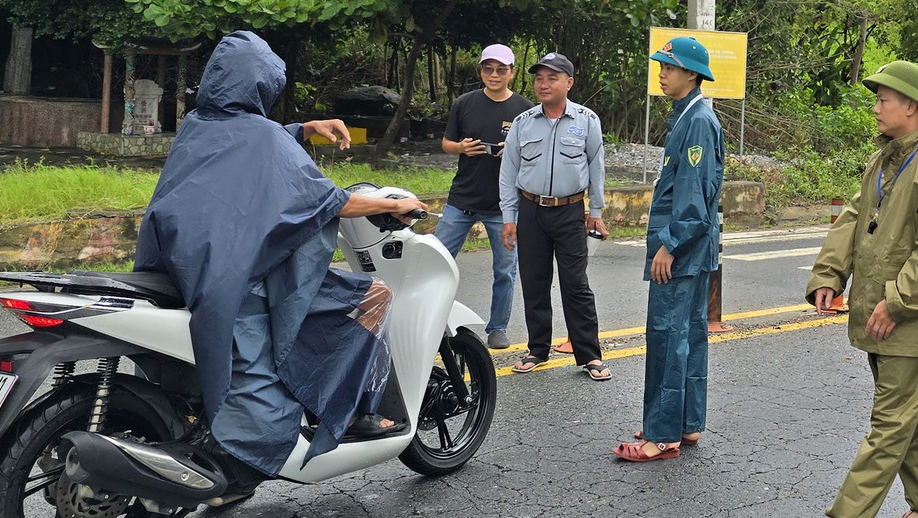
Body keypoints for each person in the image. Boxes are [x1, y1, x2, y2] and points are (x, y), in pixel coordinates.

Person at [134, 31, 428, 492]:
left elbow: (249, 144)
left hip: (185, 269)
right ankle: (361, 413)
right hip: (240, 277)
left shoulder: (198, 123)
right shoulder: (263, 137)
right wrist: (391, 205)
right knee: (374, 294)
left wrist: (305, 129)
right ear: (261, 87)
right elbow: (327, 201)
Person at [802, 60, 918, 518]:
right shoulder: (885, 160)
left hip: (910, 318)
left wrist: (896, 303)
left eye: (883, 100)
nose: (875, 108)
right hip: (880, 313)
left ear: (912, 107)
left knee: (891, 419)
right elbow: (854, 217)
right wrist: (829, 274)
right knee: (909, 414)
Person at [613, 35, 724, 462]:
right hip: (693, 248)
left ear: (692, 74)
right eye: (661, 66)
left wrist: (670, 246)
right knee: (691, 334)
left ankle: (662, 435)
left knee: (667, 336)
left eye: (670, 68)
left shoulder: (696, 120)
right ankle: (686, 421)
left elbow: (694, 198)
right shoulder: (689, 115)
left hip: (682, 248)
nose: (662, 74)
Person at [499, 52, 610, 379]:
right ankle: (538, 349)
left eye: (552, 78)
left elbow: (596, 167)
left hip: (570, 211)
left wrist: (597, 211)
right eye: (539, 78)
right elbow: (508, 173)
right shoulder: (522, 123)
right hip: (531, 211)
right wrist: (509, 216)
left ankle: (589, 354)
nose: (543, 84)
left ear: (569, 82)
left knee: (576, 284)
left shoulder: (587, 120)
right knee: (534, 282)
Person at [434, 44, 531, 350]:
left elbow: (533, 153)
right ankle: (432, 321)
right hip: (461, 199)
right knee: (435, 263)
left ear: (512, 73)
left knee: (505, 270)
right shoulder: (465, 103)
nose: (494, 75)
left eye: (501, 69)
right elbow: (446, 143)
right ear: (481, 71)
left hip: (503, 207)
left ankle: (498, 327)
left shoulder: (525, 110)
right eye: (488, 69)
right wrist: (461, 148)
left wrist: (513, 153)